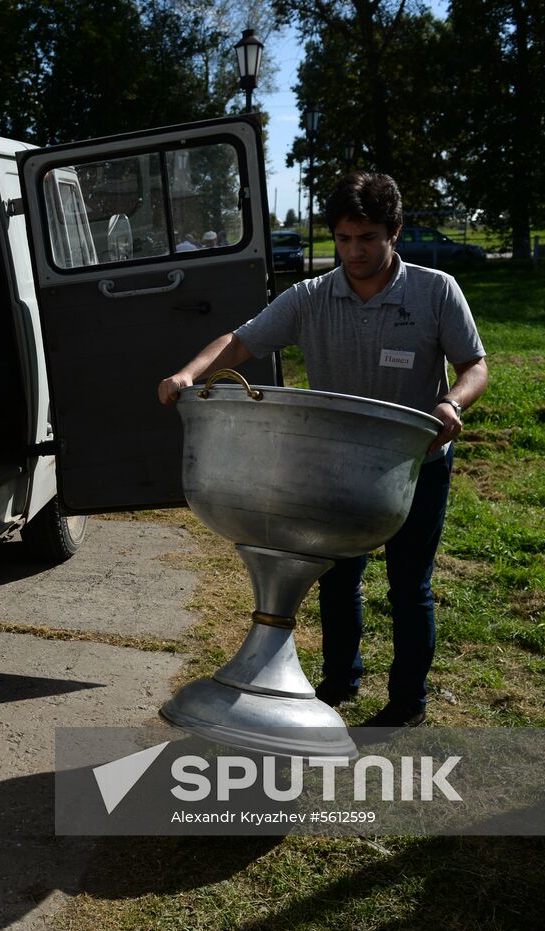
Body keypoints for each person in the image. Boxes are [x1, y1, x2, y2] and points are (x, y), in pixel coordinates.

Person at [157, 172, 488, 729]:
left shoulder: (435, 291)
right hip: (334, 466)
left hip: (415, 463)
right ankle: (338, 683)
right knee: (337, 577)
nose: (355, 252)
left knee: (410, 585)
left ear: (395, 233)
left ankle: (407, 704)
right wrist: (188, 372)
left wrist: (452, 404)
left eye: (368, 239)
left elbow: (474, 365)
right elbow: (241, 340)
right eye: (343, 239)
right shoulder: (312, 297)